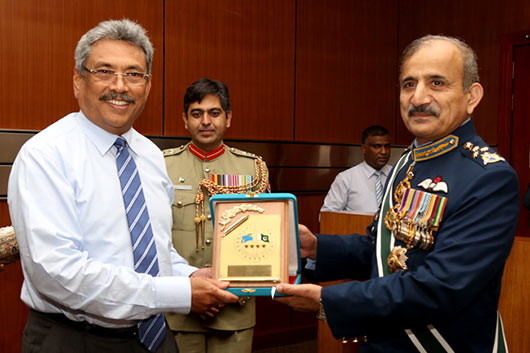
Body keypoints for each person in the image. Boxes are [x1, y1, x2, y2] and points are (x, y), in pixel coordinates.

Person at [275, 35, 520, 353]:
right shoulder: (408, 162)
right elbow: (383, 253)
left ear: (471, 96)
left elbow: (439, 288)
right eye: (408, 84)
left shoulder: (489, 178)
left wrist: (326, 301)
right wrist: (316, 247)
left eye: (436, 83)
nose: (418, 97)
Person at [7, 19, 238, 353]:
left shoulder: (150, 155)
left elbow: (153, 248)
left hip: (154, 336)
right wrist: (176, 294)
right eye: (104, 71)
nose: (120, 86)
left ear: (147, 84)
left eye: (133, 74)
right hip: (75, 339)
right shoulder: (45, 156)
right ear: (77, 80)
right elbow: (56, 273)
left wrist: (188, 277)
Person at [164, 78, 270, 353]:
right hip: (179, 308)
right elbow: (153, 239)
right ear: (185, 120)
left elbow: (264, 242)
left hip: (235, 308)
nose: (206, 121)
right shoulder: (161, 166)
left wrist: (223, 294)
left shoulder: (253, 169)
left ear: (228, 117)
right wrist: (190, 292)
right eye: (196, 114)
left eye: (214, 113)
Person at [321, 125, 392, 213]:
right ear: (364, 149)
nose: (384, 152)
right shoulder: (346, 178)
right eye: (377, 146)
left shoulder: (398, 174)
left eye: (387, 146)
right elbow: (327, 215)